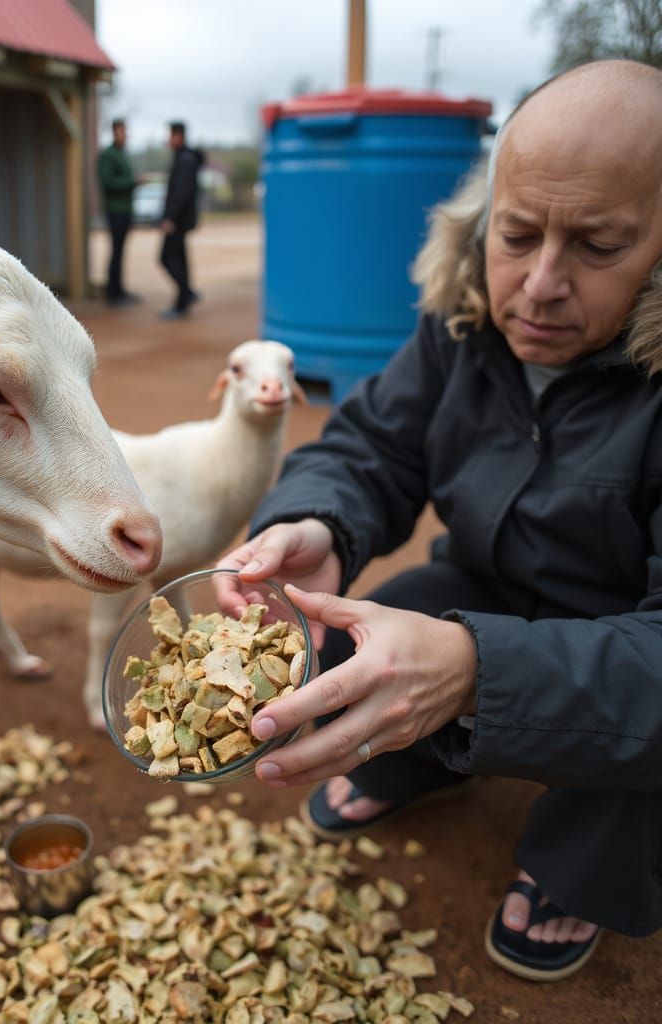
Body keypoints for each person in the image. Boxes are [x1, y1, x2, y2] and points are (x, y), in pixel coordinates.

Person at [216, 59, 662, 983]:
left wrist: (472, 672)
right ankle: (421, 762)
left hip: (631, 637)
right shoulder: (461, 323)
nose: (540, 284)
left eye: (598, 246)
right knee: (370, 629)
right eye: (518, 234)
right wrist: (319, 523)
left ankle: (576, 867)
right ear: (484, 220)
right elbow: (371, 444)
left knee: (640, 764)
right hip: (491, 586)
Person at [159, 121, 204, 319]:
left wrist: (170, 217)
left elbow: (181, 192)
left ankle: (184, 295)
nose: (168, 140)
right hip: (182, 219)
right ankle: (184, 298)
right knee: (181, 259)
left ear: (178, 136)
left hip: (178, 221)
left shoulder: (184, 159)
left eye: (170, 135)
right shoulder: (185, 157)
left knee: (166, 257)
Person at [97, 118, 139, 307]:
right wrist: (132, 182)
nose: (125, 135)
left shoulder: (121, 154)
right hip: (116, 210)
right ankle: (113, 293)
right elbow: (107, 182)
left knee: (120, 251)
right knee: (116, 251)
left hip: (125, 209)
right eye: (122, 131)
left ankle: (119, 290)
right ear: (115, 132)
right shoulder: (109, 155)